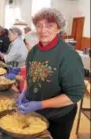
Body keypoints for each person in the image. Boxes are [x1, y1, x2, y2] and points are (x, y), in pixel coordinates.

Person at [16, 8, 85, 139]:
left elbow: (75, 95)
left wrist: (40, 104)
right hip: (37, 114)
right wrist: (24, 93)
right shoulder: (34, 51)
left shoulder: (68, 55)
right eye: (39, 26)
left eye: (49, 26)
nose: (43, 30)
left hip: (59, 117)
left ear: (59, 28)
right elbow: (30, 78)